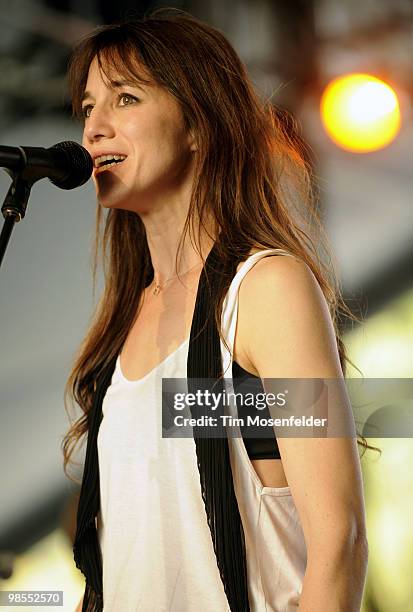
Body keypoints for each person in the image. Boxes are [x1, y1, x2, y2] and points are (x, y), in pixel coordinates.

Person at [63, 9, 369, 612]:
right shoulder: (121, 326)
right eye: (87, 108)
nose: (94, 127)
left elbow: (341, 543)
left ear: (199, 124)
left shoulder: (267, 289)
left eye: (124, 99)